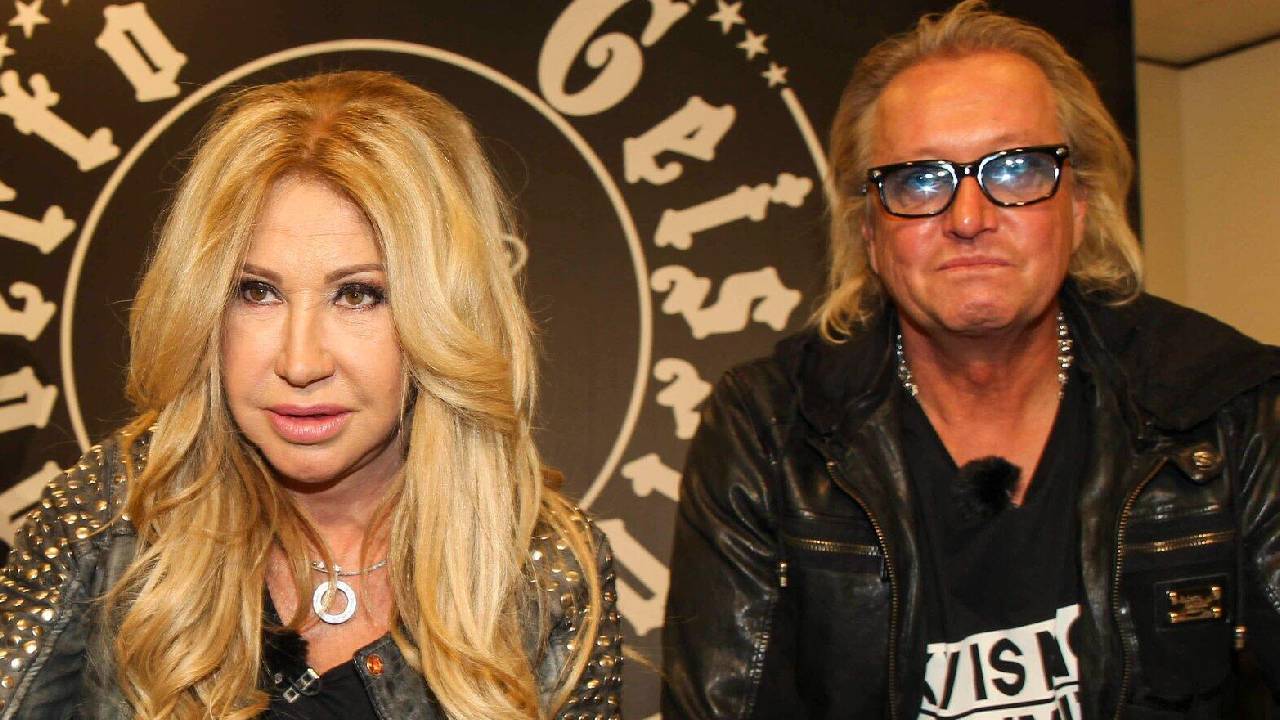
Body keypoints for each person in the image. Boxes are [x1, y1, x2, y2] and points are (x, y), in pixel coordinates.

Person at [661, 2, 1280, 718]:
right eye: (920, 180)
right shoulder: (769, 432)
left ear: (1080, 204)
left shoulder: (1227, 406)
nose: (968, 218)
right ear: (869, 229)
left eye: (1015, 170)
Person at [0, 70, 622, 719]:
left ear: (445, 312)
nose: (300, 363)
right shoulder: (114, 512)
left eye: (358, 295)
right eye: (257, 292)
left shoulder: (543, 570)